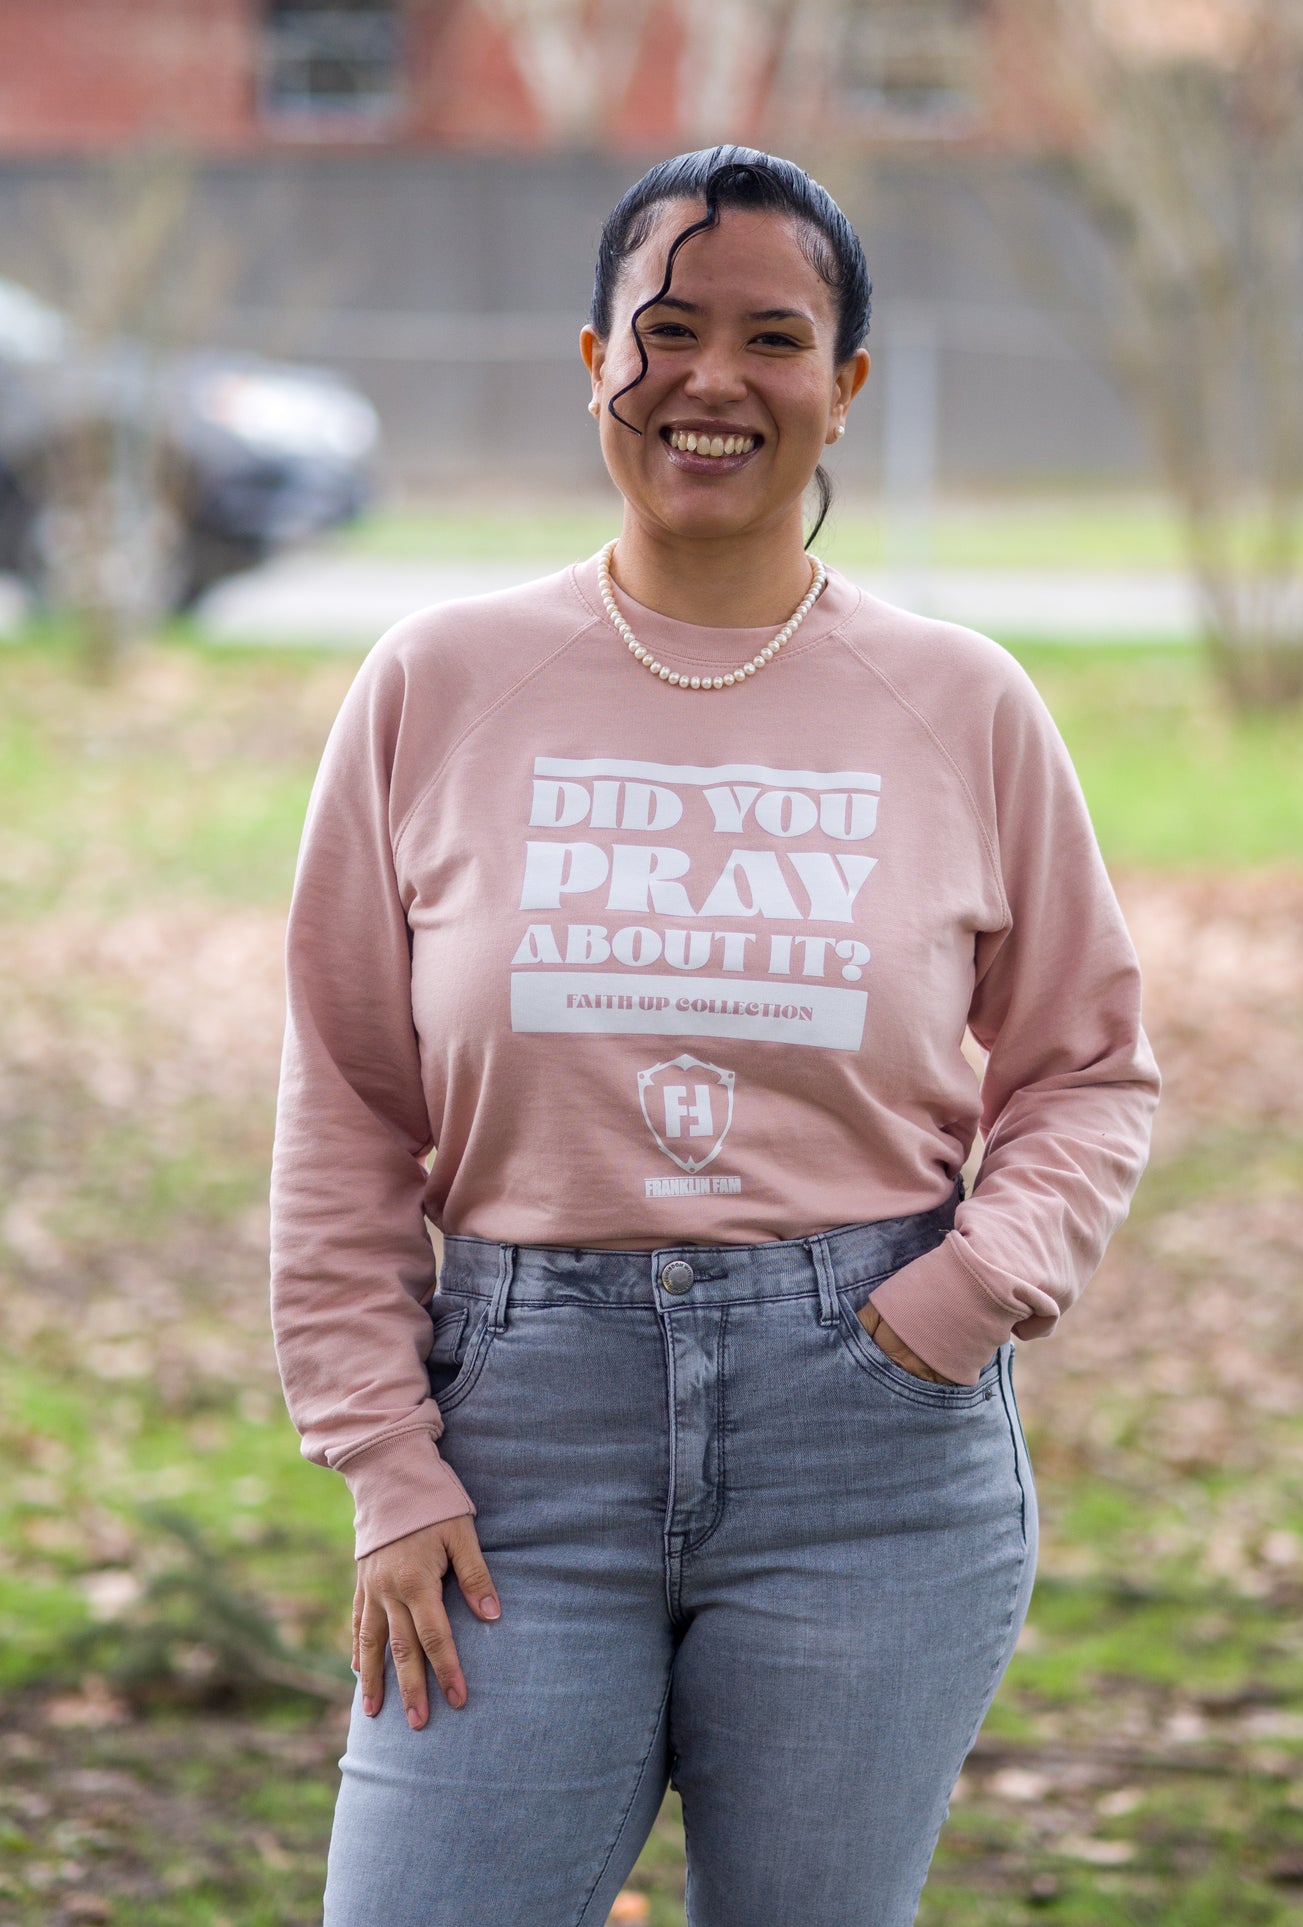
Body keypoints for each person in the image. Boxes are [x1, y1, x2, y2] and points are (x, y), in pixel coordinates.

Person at [269, 145, 1161, 1927]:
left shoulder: (963, 704)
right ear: (592, 360)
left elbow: (1083, 1067)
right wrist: (383, 1457)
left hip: (868, 1448)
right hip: (514, 1450)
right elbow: (350, 1099)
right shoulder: (437, 684)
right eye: (665, 331)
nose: (711, 381)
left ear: (843, 386)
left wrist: (964, 1298)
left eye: (773, 338)